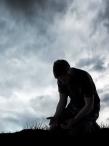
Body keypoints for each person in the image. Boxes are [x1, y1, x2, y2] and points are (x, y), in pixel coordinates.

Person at [48, 59, 100, 135]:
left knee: (77, 131)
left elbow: (89, 105)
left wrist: (74, 120)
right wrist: (56, 117)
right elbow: (62, 101)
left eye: (63, 78)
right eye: (59, 79)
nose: (61, 81)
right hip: (74, 106)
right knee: (54, 127)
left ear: (69, 71)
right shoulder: (60, 80)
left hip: (91, 108)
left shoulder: (84, 77)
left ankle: (92, 126)